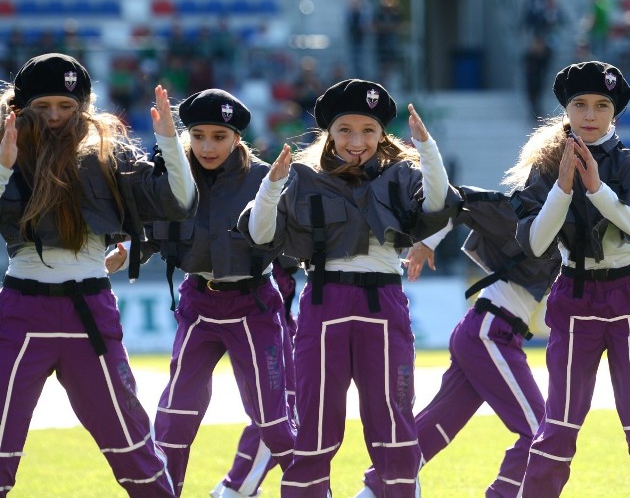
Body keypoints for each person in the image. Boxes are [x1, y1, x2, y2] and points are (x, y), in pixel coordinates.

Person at [353, 165, 630, 498]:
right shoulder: (518, 211)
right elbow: (456, 199)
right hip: (490, 331)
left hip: (488, 331)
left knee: (439, 424)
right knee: (541, 430)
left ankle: (374, 489)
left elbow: (626, 268)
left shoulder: (572, 225)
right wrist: (428, 242)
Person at [238, 78, 461, 497]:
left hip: (384, 302)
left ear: (382, 134)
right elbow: (260, 233)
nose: (357, 141)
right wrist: (269, 187)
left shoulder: (402, 174)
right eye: (345, 130)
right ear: (329, 133)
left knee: (393, 425)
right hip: (325, 301)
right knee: (315, 429)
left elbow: (439, 204)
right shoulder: (304, 176)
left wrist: (427, 148)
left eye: (368, 131)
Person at [0, 53, 197, 496]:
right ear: (20, 108)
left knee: (133, 448)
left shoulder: (107, 152)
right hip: (19, 310)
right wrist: (3, 166)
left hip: (89, 309)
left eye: (66, 106)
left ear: (83, 107)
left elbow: (179, 202)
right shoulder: (6, 148)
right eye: (43, 106)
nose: (54, 117)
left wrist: (169, 139)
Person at [506, 61, 630, 497]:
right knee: (559, 428)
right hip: (574, 297)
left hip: (627, 296)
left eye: (602, 105)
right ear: (566, 110)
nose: (590, 114)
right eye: (580, 104)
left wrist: (598, 190)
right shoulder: (547, 167)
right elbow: (534, 243)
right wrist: (563, 187)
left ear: (614, 112)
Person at [127, 89, 296, 496]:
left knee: (275, 422)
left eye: (219, 136)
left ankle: (313, 490)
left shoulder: (264, 178)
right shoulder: (171, 174)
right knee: (174, 418)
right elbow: (155, 228)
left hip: (255, 305)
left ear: (237, 137)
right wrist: (129, 251)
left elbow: (293, 241)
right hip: (197, 304)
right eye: (198, 135)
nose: (207, 146)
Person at [210, 254, 300, 498]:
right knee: (277, 413)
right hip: (264, 305)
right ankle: (236, 488)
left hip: (266, 306)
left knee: (271, 414)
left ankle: (234, 486)